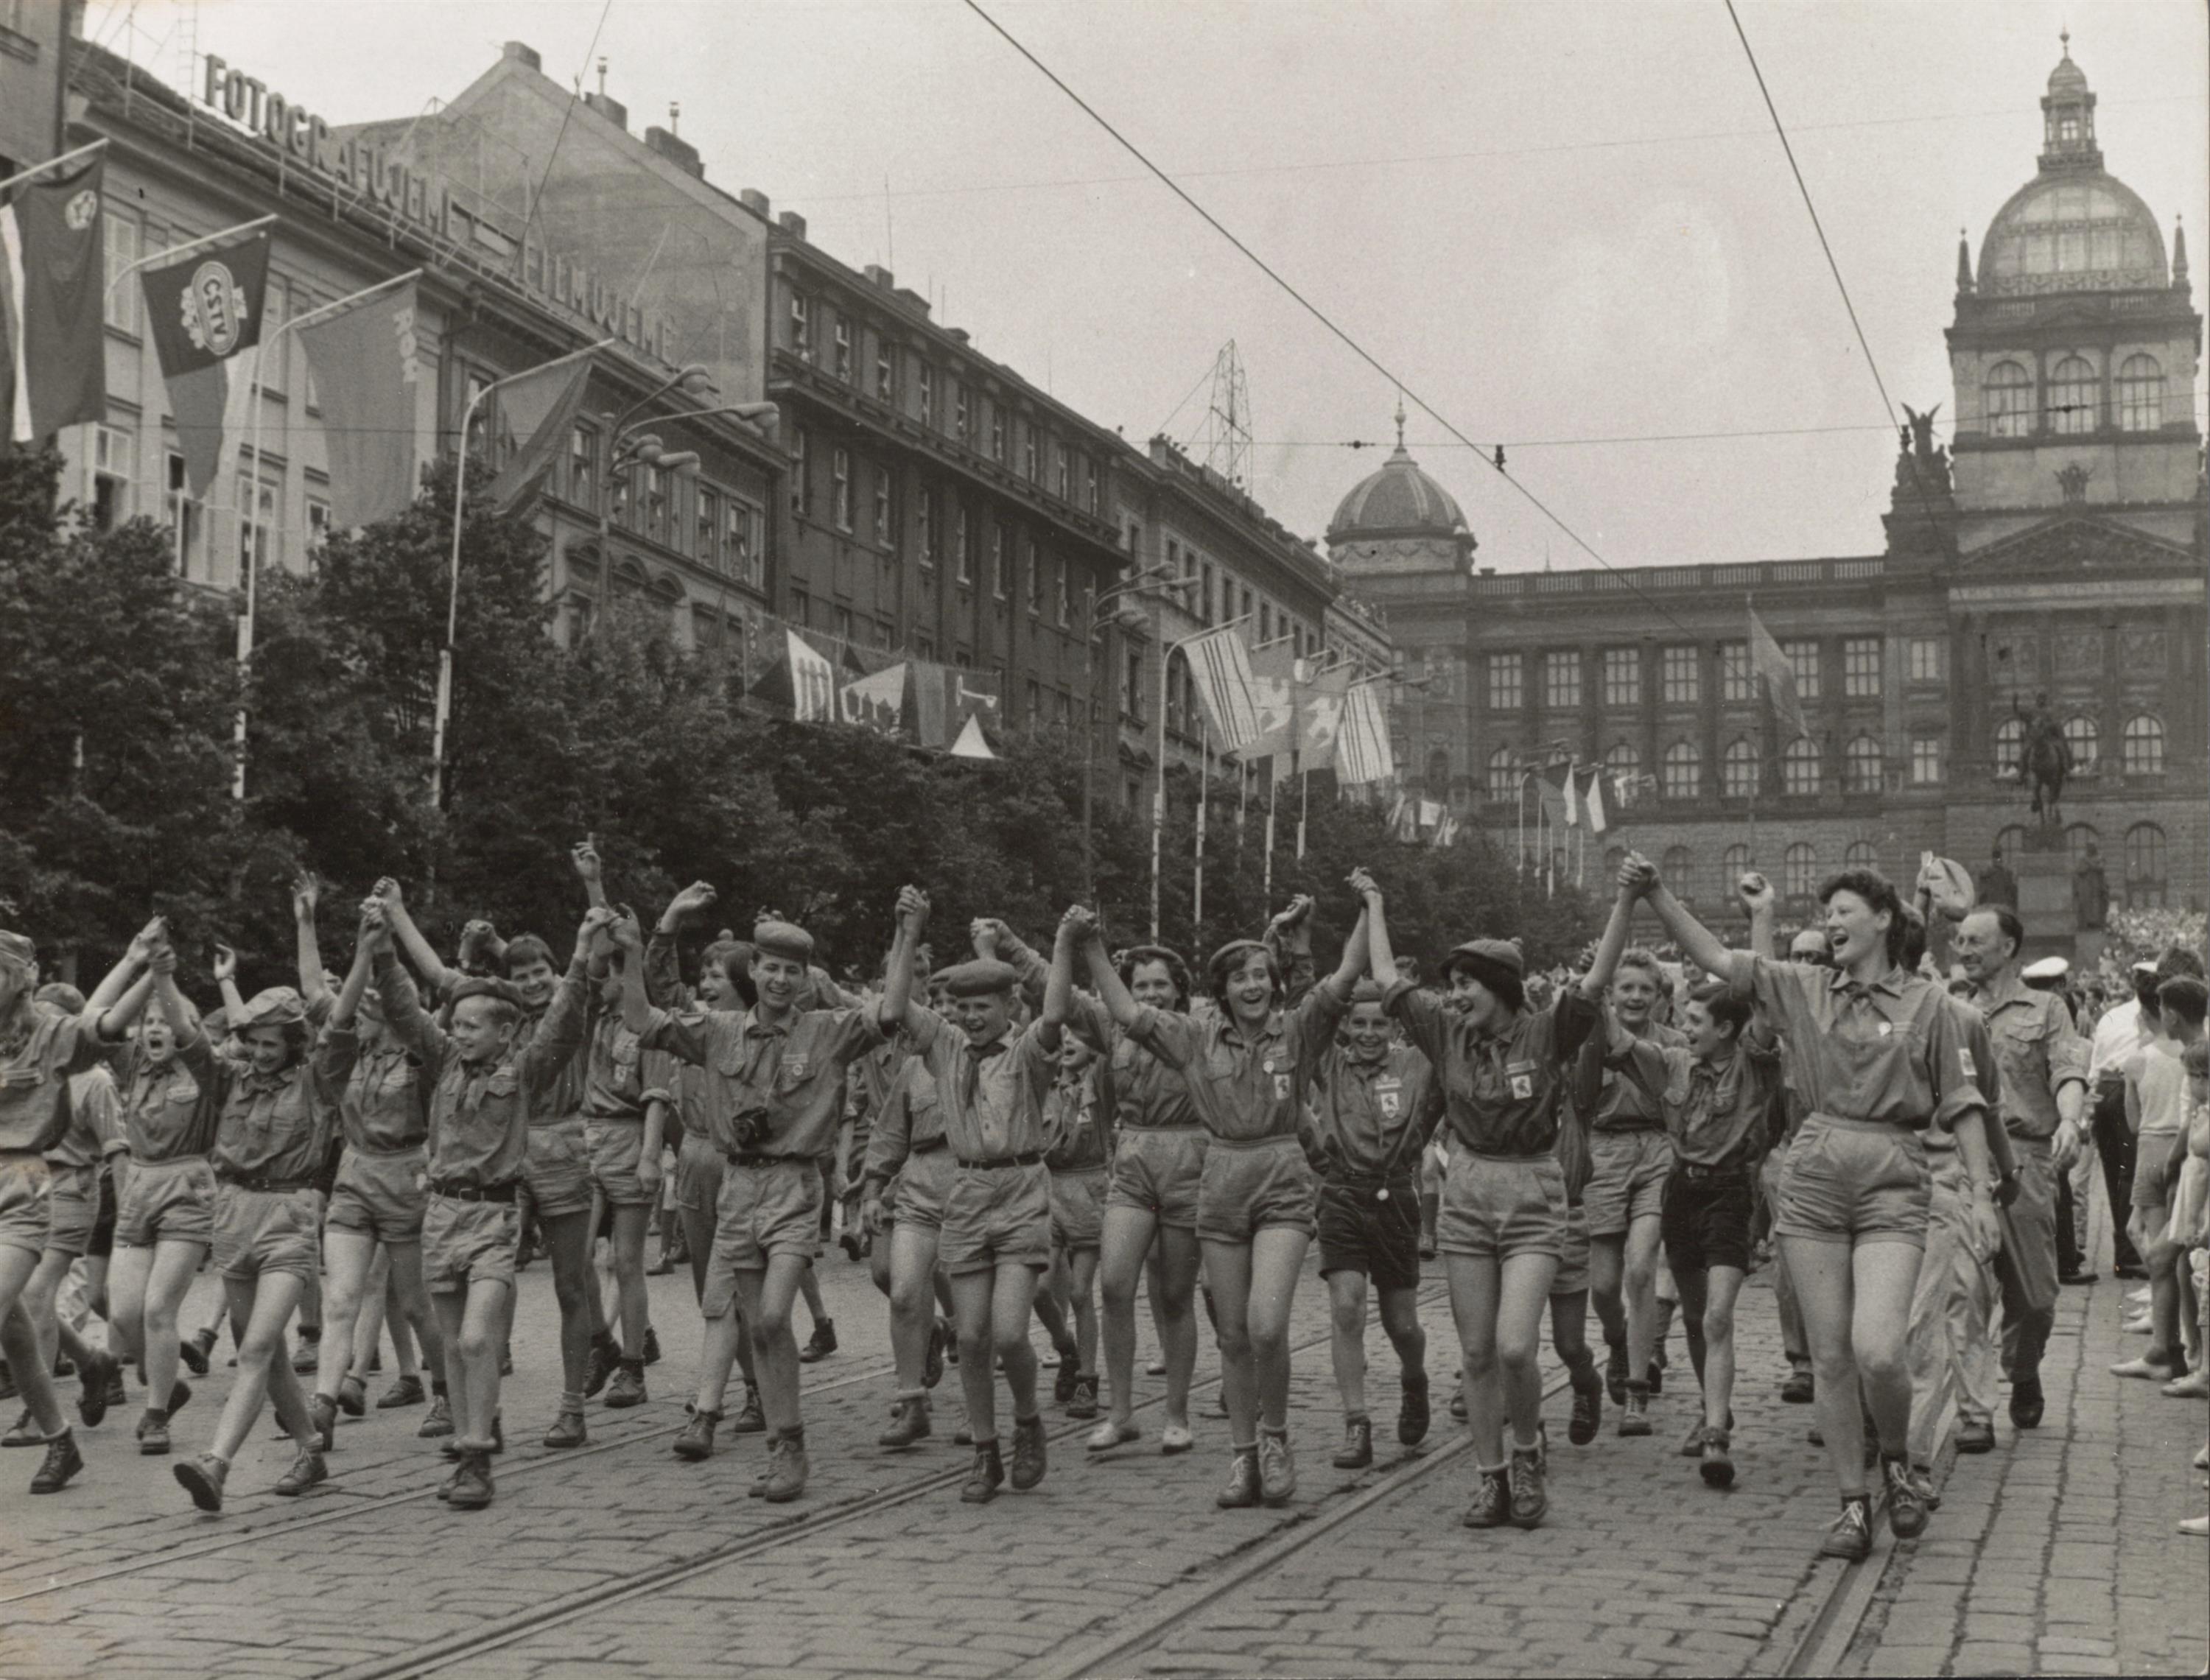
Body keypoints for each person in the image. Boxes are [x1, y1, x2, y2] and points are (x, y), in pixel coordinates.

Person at [1630, 857, 1999, 1562]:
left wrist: (1981, 1194)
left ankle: (1896, 1459)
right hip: (1816, 1174)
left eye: (1844, 912)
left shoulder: (1931, 1005)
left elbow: (1964, 1104)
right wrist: (1657, 894)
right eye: (1826, 914)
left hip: (1894, 1174)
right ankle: (1853, 1501)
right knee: (1830, 1357)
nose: (1831, 923)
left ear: (1883, 919)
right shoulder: (1804, 988)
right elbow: (1715, 958)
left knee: (1879, 1350)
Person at [1076, 885, 1371, 1511]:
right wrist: (1094, 945)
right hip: (1221, 1183)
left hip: (1282, 1179)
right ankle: (1243, 1454)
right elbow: (1127, 1011)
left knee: (1266, 1324)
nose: (1252, 986)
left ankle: (1275, 1438)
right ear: (1223, 989)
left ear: (1274, 982)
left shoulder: (1298, 1029)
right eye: (1239, 978)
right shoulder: (1194, 1037)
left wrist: (1370, 910)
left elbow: (1346, 976)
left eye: (1261, 975)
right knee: (1233, 1333)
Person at [1370, 868, 1634, 1531]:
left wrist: (1626, 898)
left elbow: (1594, 982)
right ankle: (1490, 1474)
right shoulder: (1444, 1032)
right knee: (1477, 1352)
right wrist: (1374, 903)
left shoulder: (1545, 1032)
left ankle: (1526, 1454)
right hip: (1468, 1189)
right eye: (1453, 984)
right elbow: (1389, 980)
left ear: (1502, 988)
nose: (1455, 995)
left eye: (1467, 984)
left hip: (1533, 1190)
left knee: (1517, 1345)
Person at [624, 892, 885, 1503]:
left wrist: (903, 934)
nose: (781, 979)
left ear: (806, 978)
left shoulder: (824, 1030)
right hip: (738, 1187)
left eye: (793, 970)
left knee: (770, 1317)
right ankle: (784, 1446)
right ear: (756, 971)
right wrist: (640, 946)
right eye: (771, 967)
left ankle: (788, 1441)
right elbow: (643, 1019)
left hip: (794, 1185)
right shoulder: (718, 1031)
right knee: (759, 1327)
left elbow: (889, 1013)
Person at [376, 857, 615, 1447]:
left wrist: (591, 901)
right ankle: (485, 1408)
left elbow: (584, 981)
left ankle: (571, 1405)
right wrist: (396, 917)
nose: (533, 982)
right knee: (490, 1286)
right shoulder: (478, 1025)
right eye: (522, 974)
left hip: (559, 1150)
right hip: (496, 1170)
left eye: (541, 973)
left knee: (570, 1284)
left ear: (554, 974)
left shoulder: (560, 1019)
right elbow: (432, 981)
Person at [172, 921, 373, 1515]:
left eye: (271, 1043)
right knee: (269, 1352)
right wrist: (161, 976)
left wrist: (362, 951)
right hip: (234, 1215)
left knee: (257, 1346)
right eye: (252, 1041)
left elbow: (342, 1021)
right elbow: (187, 1038)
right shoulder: (231, 1078)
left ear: (293, 1042)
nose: (259, 1052)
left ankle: (216, 1462)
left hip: (290, 1216)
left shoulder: (318, 1081)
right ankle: (311, 1447)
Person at [876, 892, 1070, 1502]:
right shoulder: (945, 1045)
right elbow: (894, 1006)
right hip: (966, 1194)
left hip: (1020, 1191)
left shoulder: (1028, 1050)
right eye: (962, 1006)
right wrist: (909, 933)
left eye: (983, 1006)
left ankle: (1028, 1419)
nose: (970, 1016)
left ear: (1010, 1005)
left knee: (1010, 1332)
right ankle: (986, 1450)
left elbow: (1057, 1009)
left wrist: (1062, 945)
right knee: (971, 1336)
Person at [1, 922, 163, 1493]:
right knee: (16, 1329)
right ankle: (61, 1441)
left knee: (11, 1306)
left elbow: (105, 1024)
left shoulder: (49, 1033)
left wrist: (140, 965)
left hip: (24, 1185)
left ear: (20, 978)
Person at [294, 879, 452, 1445]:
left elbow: (402, 998)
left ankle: (447, 1391)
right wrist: (306, 920)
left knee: (415, 1304)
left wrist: (385, 944)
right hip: (355, 1176)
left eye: (368, 1000)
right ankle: (323, 1406)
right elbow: (315, 990)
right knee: (341, 1298)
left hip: (407, 1176)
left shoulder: (422, 1049)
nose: (356, 1006)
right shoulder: (348, 1046)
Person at [1953, 907, 2086, 1427]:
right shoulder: (1950, 1010)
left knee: (2034, 1298)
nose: (1964, 950)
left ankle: (2023, 1369)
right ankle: (1975, 1409)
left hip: (2027, 1158)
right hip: (1963, 1160)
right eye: (1960, 940)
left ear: (2008, 947)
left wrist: (2070, 1121)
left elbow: (2067, 1069)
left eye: (1975, 941)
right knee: (1964, 1291)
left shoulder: (2047, 1008)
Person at [1304, 978, 1441, 1471]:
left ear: (1395, 1027)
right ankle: (1356, 1423)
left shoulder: (1415, 1065)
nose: (1367, 1033)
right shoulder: (1329, 1064)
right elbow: (1309, 1014)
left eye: (1378, 1024)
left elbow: (1439, 1031)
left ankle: (1414, 1378)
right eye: (1358, 1023)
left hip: (1395, 1196)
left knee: (1402, 1323)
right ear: (1345, 1024)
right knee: (1347, 1306)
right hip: (1342, 1192)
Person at [1649, 980, 1780, 1486]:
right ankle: (1713, 1406)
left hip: (1729, 1195)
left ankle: (1716, 1436)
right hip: (1680, 1193)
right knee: (1695, 1315)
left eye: (1694, 1020)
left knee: (1718, 1317)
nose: (1684, 1027)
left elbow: (1765, 1005)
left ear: (1725, 1028)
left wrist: (1757, 945)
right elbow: (1617, 1039)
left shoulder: (1753, 1065)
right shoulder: (1677, 1063)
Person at [1576, 947, 1681, 1432]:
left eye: (1646, 989)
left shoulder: (1674, 1043)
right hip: (1604, 1151)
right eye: (1627, 988)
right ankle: (1618, 1338)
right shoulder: (1591, 1039)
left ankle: (1637, 1391)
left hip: (1658, 1150)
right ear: (1612, 994)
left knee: (1641, 1269)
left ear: (1659, 996)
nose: (1636, 997)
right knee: (1602, 1286)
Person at [2117, 972, 2207, 1385]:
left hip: (2191, 1173)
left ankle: (2181, 1354)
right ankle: (2183, 1352)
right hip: (2187, 1171)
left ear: (2171, 1014)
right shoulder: (2192, 1053)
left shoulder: (2199, 1057)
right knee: (2179, 1264)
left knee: (2171, 1259)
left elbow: (2193, 1126)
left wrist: (2173, 1164)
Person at [1042, 1031, 1109, 1422]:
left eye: (1078, 1035)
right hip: (1047, 1189)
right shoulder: (1043, 1080)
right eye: (1063, 1033)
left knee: (1081, 1292)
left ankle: (1086, 1377)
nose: (1068, 1041)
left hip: (1088, 1190)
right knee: (1039, 1287)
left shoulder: (1100, 1080)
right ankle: (1065, 1346)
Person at [2088, 962, 2161, 1281]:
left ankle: (2123, 1253)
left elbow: (2095, 1064)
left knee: (2113, 1172)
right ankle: (2129, 1255)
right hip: (2128, 1092)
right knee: (2131, 1173)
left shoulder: (2111, 1015)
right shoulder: (2152, 1017)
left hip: (2104, 1091)